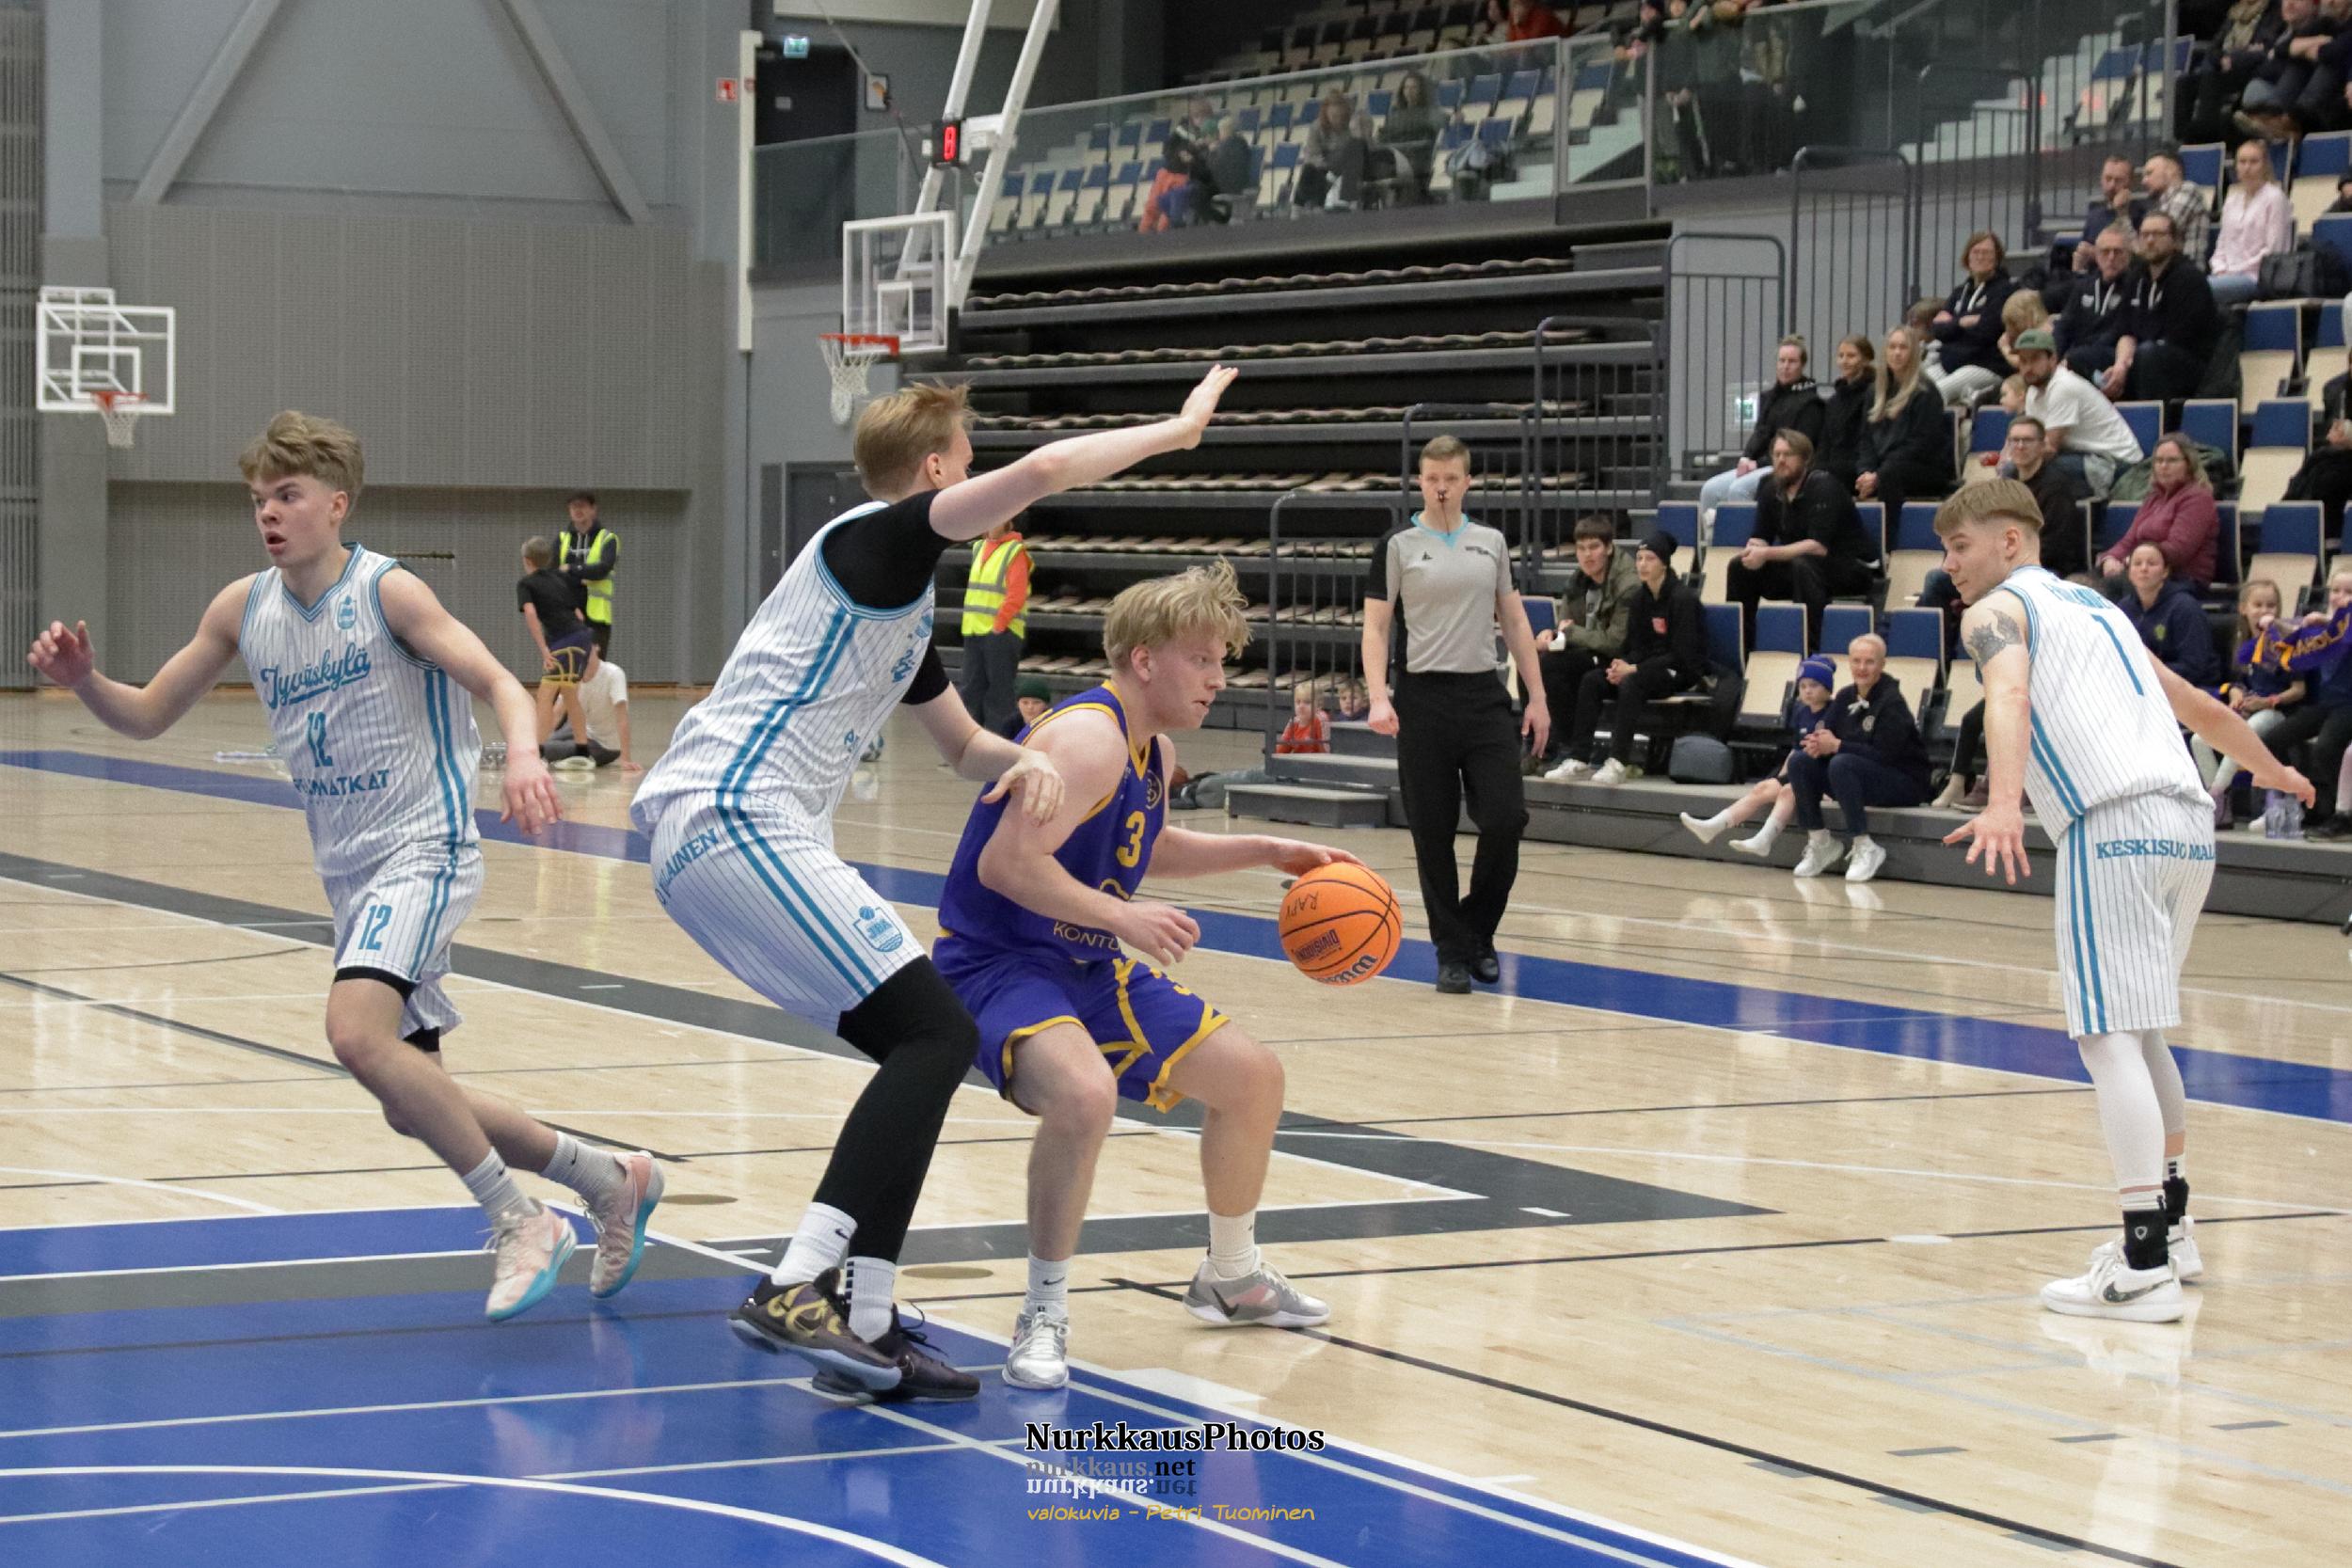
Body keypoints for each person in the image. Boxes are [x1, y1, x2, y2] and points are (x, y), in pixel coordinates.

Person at [630, 366, 1237, 1399]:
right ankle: (797, 1280)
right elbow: (1047, 468)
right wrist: (1175, 433)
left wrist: (1025, 761)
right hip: (736, 812)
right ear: (936, 471)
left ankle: (866, 1315)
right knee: (937, 1032)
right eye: (966, 459)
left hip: (727, 835)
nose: (977, 474)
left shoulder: (896, 609)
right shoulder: (880, 538)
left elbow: (959, 746)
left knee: (926, 1043)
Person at [24, 411, 661, 1322]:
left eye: (286, 495)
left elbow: (498, 681)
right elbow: (148, 714)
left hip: (424, 845)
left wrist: (524, 754)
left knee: (356, 1033)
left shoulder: (388, 593)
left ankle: (521, 1219)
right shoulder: (242, 608)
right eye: (258, 498)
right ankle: (607, 1178)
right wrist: (86, 680)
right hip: (352, 874)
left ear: (337, 503)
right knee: (413, 1095)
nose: (268, 513)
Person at [933, 563, 1343, 1391]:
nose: (1217, 679)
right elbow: (1007, 864)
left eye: (1221, 661)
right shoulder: (1088, 739)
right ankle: (1042, 1310)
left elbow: (1144, 846)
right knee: (1084, 1096)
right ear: (1146, 659)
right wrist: (1122, 917)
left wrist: (1268, 849)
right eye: (1202, 659)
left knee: (1253, 1079)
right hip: (997, 961)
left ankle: (1232, 1275)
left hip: (1082, 958)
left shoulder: (1152, 748)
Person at [1936, 480, 2312, 1321]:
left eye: (1960, 546)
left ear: (2009, 541)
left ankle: (2142, 1261)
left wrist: (2003, 804)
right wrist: (2275, 770)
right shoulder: (2102, 611)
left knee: (2106, 1037)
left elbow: (2008, 695)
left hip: (2112, 823)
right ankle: (2173, 1231)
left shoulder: (1997, 612)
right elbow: (2198, 707)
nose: (1949, 565)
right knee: (2141, 1032)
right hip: (2188, 823)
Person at [1363, 435, 1548, 996]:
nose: (1440, 488)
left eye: (1450, 479)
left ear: (1467, 482)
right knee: (1433, 832)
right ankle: (1451, 951)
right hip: (1422, 701)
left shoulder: (1491, 542)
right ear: (1419, 482)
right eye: (1431, 479)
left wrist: (1537, 696)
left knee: (1506, 818)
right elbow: (1376, 628)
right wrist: (1378, 696)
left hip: (1483, 696)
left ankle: (1476, 932)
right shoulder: (1397, 545)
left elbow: (1514, 621)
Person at [1546, 531, 1704, 786]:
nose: (1642, 564)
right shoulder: (1640, 599)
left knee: (1632, 682)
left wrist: (1635, 668)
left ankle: (1618, 761)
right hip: (1643, 667)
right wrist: (1621, 665)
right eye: (1639, 558)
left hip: (1679, 672)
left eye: (1650, 559)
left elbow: (1682, 655)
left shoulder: (1682, 599)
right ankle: (1579, 758)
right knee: (1593, 680)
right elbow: (1634, 645)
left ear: (1664, 563)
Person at [1788, 632, 1931, 882]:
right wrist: (1817, 745)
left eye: (1869, 662)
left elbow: (1885, 755)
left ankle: (1864, 845)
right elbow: (1828, 736)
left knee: (1842, 762)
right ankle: (1821, 842)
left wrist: (1837, 746)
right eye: (1856, 661)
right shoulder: (1845, 696)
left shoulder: (1891, 702)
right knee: (1800, 761)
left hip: (1903, 782)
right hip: (1858, 776)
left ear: (1882, 664)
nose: (1862, 668)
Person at [1921, 415, 2085, 615]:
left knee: (1941, 579)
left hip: (2045, 567)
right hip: (2005, 558)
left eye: (2027, 440)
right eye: (2014, 440)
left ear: (2043, 445)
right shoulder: (2006, 480)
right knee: (1937, 579)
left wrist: (2000, 560)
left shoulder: (2056, 487)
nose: (2020, 446)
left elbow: (2057, 546)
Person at [1731, 429, 1882, 644]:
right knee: (1740, 567)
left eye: (1788, 454)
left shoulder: (1824, 486)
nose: (1781, 460)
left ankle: (1810, 647)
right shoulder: (1770, 488)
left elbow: (1817, 547)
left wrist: (1766, 553)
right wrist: (1754, 548)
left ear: (1805, 459)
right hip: (1802, 568)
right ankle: (1743, 646)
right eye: (1777, 454)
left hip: (1851, 568)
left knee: (1804, 563)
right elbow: (1761, 536)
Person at [1680, 655, 1836, 856]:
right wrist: (1780, 777)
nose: (1807, 690)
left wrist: (1830, 788)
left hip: (1823, 776)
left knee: (1788, 791)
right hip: (1803, 771)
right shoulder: (1800, 712)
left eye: (1814, 685)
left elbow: (1837, 753)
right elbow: (1796, 751)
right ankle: (1713, 826)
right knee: (1764, 787)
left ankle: (1764, 840)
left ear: (1827, 688)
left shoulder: (1834, 713)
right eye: (1803, 685)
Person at [2257, 562, 2352, 836]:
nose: (2340, 597)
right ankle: (2305, 803)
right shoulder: (2319, 624)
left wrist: (2328, 623)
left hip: (2348, 705)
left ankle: (2343, 813)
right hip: (2324, 704)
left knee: (2326, 747)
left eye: (2349, 592)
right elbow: (2294, 636)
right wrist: (2274, 624)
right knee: (2273, 739)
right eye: (2336, 590)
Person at [1534, 517, 1640, 755]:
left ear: (1609, 548)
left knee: (1552, 666)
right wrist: (1551, 636)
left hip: (1619, 659)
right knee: (1533, 661)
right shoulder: (1578, 580)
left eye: (1594, 547)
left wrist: (1569, 633)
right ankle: (1537, 746)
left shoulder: (1628, 584)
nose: (1587, 555)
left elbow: (1615, 643)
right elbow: (1566, 627)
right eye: (1581, 548)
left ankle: (1566, 747)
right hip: (1588, 651)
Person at [2202, 579, 2302, 824]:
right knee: (2199, 737)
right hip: (2252, 708)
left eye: (2271, 605)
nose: (2265, 611)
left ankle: (2213, 798)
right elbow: (2240, 680)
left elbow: (2299, 690)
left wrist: (2268, 701)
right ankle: (2222, 807)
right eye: (2258, 605)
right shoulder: (2243, 643)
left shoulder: (2287, 643)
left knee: (2243, 733)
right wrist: (2236, 693)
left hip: (2279, 710)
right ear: (2243, 609)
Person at [1698, 335, 1824, 517]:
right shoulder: (1769, 397)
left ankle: (1746, 535)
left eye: (1792, 361)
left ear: (1802, 365)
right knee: (1710, 490)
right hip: (1760, 464)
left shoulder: (1811, 403)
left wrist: (1757, 463)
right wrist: (1746, 458)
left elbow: (1800, 448)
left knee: (1739, 489)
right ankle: (1710, 535)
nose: (1785, 366)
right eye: (1782, 360)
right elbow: (1760, 433)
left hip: (1783, 465)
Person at [2014, 328, 2144, 500]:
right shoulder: (2033, 391)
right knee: (2019, 469)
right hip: (2082, 456)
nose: (2028, 367)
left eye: (2035, 359)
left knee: (2038, 470)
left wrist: (2013, 458)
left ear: (2053, 359)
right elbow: (2031, 437)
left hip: (2118, 464)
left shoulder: (2063, 386)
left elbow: (2050, 448)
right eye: (2023, 361)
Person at [2120, 211, 2222, 404]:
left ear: (2175, 241)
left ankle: (2152, 418)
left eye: (2158, 234)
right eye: (2145, 235)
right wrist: (2120, 364)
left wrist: (2132, 358)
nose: (2150, 241)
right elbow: (2125, 330)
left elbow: (2178, 337)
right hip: (2143, 354)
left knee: (2149, 354)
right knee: (2087, 359)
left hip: (2188, 364)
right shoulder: (2136, 277)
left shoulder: (2189, 278)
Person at [2099, 435, 2222, 594]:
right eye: (2159, 461)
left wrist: (2133, 561)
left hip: (2181, 578)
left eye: (2172, 461)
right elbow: (2129, 540)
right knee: (2084, 584)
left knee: (2110, 588)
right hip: (2142, 570)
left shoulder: (2198, 498)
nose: (2164, 466)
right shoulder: (2153, 498)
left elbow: (2178, 550)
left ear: (2189, 464)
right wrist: (2110, 559)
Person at [1855, 325, 1955, 517]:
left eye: (1903, 347)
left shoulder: (1926, 392)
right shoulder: (1874, 391)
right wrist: (1866, 471)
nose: (1897, 353)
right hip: (1885, 466)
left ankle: (1890, 533)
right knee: (1837, 472)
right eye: (1892, 347)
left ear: (1914, 353)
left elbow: (1922, 444)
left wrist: (1878, 475)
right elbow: (1865, 439)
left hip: (1923, 468)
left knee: (1890, 475)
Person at [958, 516, 1031, 738]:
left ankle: (1000, 743)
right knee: (970, 690)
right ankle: (970, 743)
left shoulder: (1014, 551)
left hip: (1001, 632)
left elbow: (1016, 594)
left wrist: (999, 624)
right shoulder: (978, 547)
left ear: (1007, 522)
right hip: (974, 629)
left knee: (999, 694)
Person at [517, 535, 595, 746]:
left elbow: (531, 614)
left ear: (527, 560)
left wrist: (545, 649)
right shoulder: (560, 578)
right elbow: (579, 615)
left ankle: (538, 749)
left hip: (564, 641)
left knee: (545, 696)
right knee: (570, 695)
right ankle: (582, 748)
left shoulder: (526, 584)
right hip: (583, 636)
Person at [1931, 231, 2020, 405]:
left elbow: (1987, 331)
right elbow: (1937, 330)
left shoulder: (2004, 291)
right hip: (1951, 362)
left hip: (1985, 364)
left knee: (1936, 392)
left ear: (1996, 258)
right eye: (1976, 252)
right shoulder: (1960, 292)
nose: (1980, 257)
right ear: (1968, 257)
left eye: (1986, 253)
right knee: (1912, 388)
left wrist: (1952, 324)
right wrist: (1962, 322)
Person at [2121, 542, 2223, 687]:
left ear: (2165, 571)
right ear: (2129, 573)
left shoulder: (2185, 607)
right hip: (2143, 685)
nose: (2144, 569)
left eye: (2151, 563)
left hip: (2192, 688)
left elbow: (2193, 666)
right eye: (2137, 563)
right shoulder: (2123, 608)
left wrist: (2146, 673)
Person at [2209, 138, 2294, 308]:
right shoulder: (2231, 201)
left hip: (2257, 277)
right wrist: (2219, 268)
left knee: (2197, 289)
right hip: (2226, 274)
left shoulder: (2275, 198)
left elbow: (2274, 250)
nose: (2247, 167)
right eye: (2242, 162)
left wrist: (2235, 270)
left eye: (2254, 162)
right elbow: (2222, 246)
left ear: (2265, 166)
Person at [2058, 225, 2137, 389]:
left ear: (2128, 255)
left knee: (2077, 359)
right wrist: (2051, 355)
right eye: (2105, 252)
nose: (2111, 257)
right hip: (2080, 354)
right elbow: (2064, 326)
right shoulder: (2084, 286)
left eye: (2117, 252)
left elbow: (2123, 330)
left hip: (2113, 353)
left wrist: (2072, 356)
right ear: (2096, 255)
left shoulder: (2136, 286)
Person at [541, 647, 638, 771]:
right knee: (539, 744)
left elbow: (622, 718)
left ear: (596, 647)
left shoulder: (614, 674)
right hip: (584, 730)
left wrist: (626, 759)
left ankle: (520, 753)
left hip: (605, 746)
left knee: (548, 749)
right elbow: (557, 714)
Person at [557, 490, 618, 657]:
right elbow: (553, 574)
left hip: (596, 617)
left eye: (582, 506)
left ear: (593, 509)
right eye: (573, 506)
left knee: (595, 666)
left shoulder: (607, 538)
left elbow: (602, 569)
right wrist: (583, 577)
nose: (577, 510)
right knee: (567, 665)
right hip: (567, 615)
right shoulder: (562, 539)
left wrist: (571, 569)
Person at [1815, 333, 1876, 492]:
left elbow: (1865, 439)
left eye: (1851, 356)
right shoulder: (1834, 400)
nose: (1844, 361)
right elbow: (1825, 441)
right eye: (1841, 356)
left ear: (1866, 359)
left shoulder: (1872, 394)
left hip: (1856, 466)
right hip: (1833, 464)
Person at [1296, 89, 1373, 210]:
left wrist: (1357, 129)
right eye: (1333, 116)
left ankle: (1345, 204)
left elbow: (1363, 145)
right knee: (1308, 170)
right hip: (1326, 165)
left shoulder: (1353, 123)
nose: (1337, 120)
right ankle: (1298, 208)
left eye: (1340, 116)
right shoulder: (1316, 128)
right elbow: (1312, 154)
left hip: (1352, 165)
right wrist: (1327, 164)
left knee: (1353, 150)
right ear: (1326, 114)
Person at [2071, 157, 2148, 275]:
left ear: (2130, 182)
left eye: (2118, 180)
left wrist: (2097, 254)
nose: (2112, 186)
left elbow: (2141, 258)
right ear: (2101, 180)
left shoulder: (2142, 215)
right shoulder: (2094, 215)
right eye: (2108, 179)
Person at [2139, 153, 2211, 265]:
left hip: (2187, 272)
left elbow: (2158, 239)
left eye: (2149, 173)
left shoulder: (2188, 191)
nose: (2144, 181)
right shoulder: (2162, 204)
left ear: (2172, 170)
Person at [1382, 71, 1443, 199]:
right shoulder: (1395, 114)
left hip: (1419, 158)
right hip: (1396, 157)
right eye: (1406, 87)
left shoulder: (1430, 114)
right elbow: (1386, 137)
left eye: (1414, 87)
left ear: (1421, 90)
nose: (1409, 91)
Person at [1276, 682, 1332, 753]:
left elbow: (1326, 752)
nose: (1301, 706)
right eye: (1298, 702)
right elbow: (1280, 751)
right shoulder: (1294, 722)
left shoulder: (1321, 719)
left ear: (1319, 705)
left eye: (1307, 702)